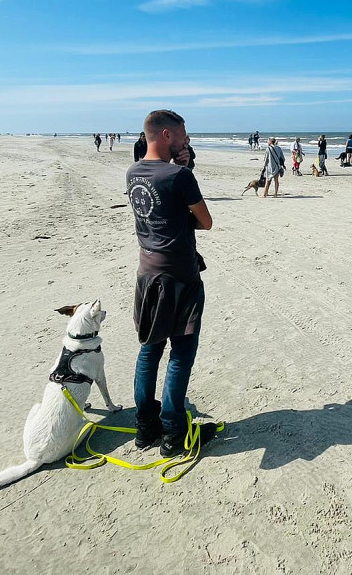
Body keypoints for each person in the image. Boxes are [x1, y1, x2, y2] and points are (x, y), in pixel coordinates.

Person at [125, 109, 213, 456]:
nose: (186, 139)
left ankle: (146, 427)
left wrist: (184, 167)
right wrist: (185, 170)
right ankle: (174, 431)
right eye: (182, 134)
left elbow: (163, 212)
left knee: (149, 349)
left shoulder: (133, 173)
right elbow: (205, 222)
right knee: (181, 352)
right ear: (166, 135)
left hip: (147, 274)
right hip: (179, 276)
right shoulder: (179, 176)